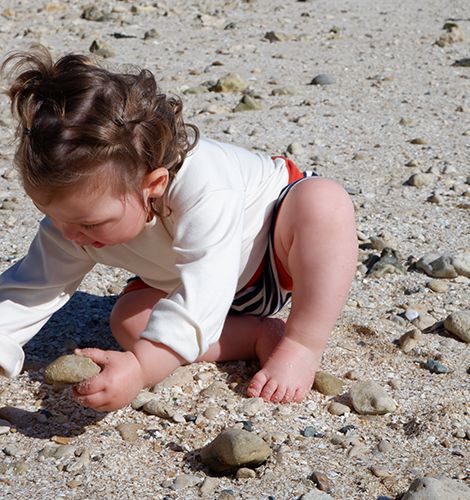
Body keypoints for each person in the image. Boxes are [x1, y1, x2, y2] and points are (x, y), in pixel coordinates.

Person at [0, 47, 357, 411]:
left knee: (323, 202)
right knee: (129, 322)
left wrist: (140, 369)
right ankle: (256, 335)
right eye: (52, 215)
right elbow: (31, 287)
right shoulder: (76, 220)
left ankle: (300, 344)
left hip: (272, 255)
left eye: (89, 223)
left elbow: (206, 284)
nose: (69, 233)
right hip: (182, 281)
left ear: (152, 185)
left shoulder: (204, 185)